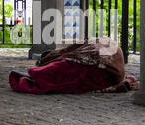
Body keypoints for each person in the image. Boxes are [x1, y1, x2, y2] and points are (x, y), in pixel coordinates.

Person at [9, 38, 137, 95]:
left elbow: (71, 53)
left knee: (68, 69)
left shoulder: (71, 52)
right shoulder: (93, 44)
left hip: (103, 64)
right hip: (108, 67)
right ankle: (38, 74)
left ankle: (38, 74)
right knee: (69, 69)